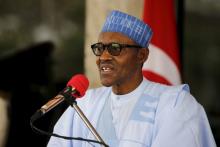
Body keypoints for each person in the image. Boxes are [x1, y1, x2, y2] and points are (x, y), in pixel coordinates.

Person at [47, 10, 216, 147]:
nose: (103, 57)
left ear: (142, 55)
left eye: (115, 48)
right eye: (99, 48)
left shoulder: (174, 103)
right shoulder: (85, 104)